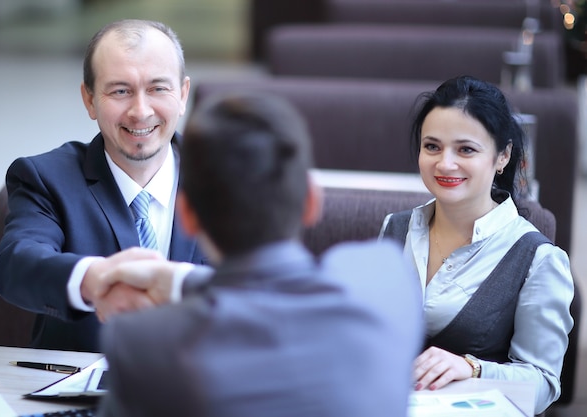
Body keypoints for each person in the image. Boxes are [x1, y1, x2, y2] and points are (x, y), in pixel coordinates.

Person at [95, 92, 424, 417]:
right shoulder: (388, 280)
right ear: (312, 201)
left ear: (187, 215)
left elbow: (257, 293)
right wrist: (182, 282)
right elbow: (272, 290)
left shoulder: (142, 343)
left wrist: (184, 282)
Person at [0, 19, 206, 352]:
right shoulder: (45, 177)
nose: (140, 111)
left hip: (206, 391)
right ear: (89, 100)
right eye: (120, 91)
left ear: (183, 95)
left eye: (158, 88)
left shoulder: (227, 176)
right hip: (83, 396)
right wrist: (94, 279)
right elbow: (14, 264)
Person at [379, 75, 574, 415]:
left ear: (503, 156)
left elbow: (543, 384)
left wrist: (472, 368)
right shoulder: (395, 229)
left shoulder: (538, 259)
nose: (445, 163)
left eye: (466, 149)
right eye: (432, 146)